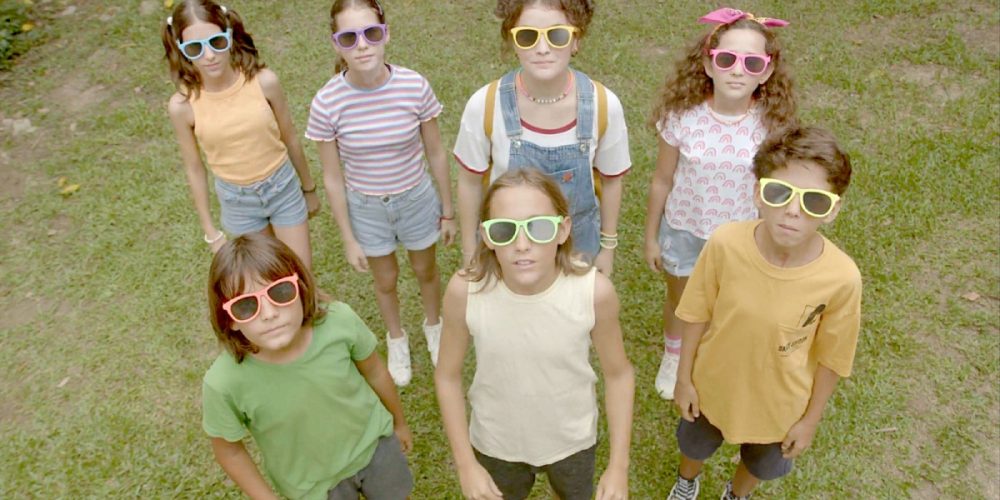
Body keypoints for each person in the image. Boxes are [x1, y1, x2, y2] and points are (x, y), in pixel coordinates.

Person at [666, 126, 861, 500]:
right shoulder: (726, 243)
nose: (792, 211)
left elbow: (832, 359)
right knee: (693, 446)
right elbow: (695, 312)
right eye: (779, 192)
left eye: (813, 202)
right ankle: (687, 481)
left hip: (780, 408)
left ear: (833, 210)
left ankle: (736, 495)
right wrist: (684, 379)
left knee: (759, 464)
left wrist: (809, 420)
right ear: (758, 193)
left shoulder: (843, 278)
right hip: (711, 387)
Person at [435, 168, 634, 500]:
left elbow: (619, 375)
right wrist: (466, 465)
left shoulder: (594, 292)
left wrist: (618, 467)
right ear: (486, 236)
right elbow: (446, 377)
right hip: (496, 444)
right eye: (504, 231)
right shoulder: (465, 292)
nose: (522, 245)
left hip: (574, 441)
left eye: (539, 228)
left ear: (563, 230)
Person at [644, 7, 797, 400]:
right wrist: (651, 238)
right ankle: (674, 354)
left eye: (751, 62)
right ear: (710, 64)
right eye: (727, 59)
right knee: (681, 301)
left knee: (729, 302)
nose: (737, 70)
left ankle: (714, 355)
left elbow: (776, 189)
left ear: (765, 72)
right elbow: (662, 180)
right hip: (683, 229)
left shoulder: (770, 126)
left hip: (741, 237)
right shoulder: (683, 117)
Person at [306, 0, 455, 386]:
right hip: (367, 208)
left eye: (371, 33)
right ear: (336, 43)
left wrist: (449, 209)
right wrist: (348, 237)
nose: (362, 45)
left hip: (416, 198)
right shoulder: (327, 103)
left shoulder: (414, 86)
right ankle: (397, 339)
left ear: (385, 34)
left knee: (426, 270)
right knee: (385, 280)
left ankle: (434, 326)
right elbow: (333, 178)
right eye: (349, 37)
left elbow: (436, 152)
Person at [202, 232, 413, 499]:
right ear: (229, 318)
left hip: (377, 448)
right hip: (311, 487)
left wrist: (400, 423)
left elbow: (375, 371)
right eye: (246, 306)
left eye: (280, 292)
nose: (269, 313)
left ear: (300, 288)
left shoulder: (340, 322)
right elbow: (229, 450)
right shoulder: (223, 383)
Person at [454, 0, 631, 275]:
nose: (543, 48)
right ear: (513, 42)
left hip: (578, 245)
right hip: (511, 245)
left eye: (557, 35)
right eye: (527, 36)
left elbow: (611, 181)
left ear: (576, 40)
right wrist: (470, 251)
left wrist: (608, 247)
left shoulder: (603, 105)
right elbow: (469, 182)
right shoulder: (485, 105)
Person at [162, 0, 318, 268]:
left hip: (282, 186)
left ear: (229, 36)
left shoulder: (264, 81)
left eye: (216, 42)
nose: (209, 55)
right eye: (196, 48)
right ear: (181, 50)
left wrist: (309, 188)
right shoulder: (182, 107)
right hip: (237, 201)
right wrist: (210, 231)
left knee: (301, 273)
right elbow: (194, 169)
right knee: (269, 276)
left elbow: (290, 137)